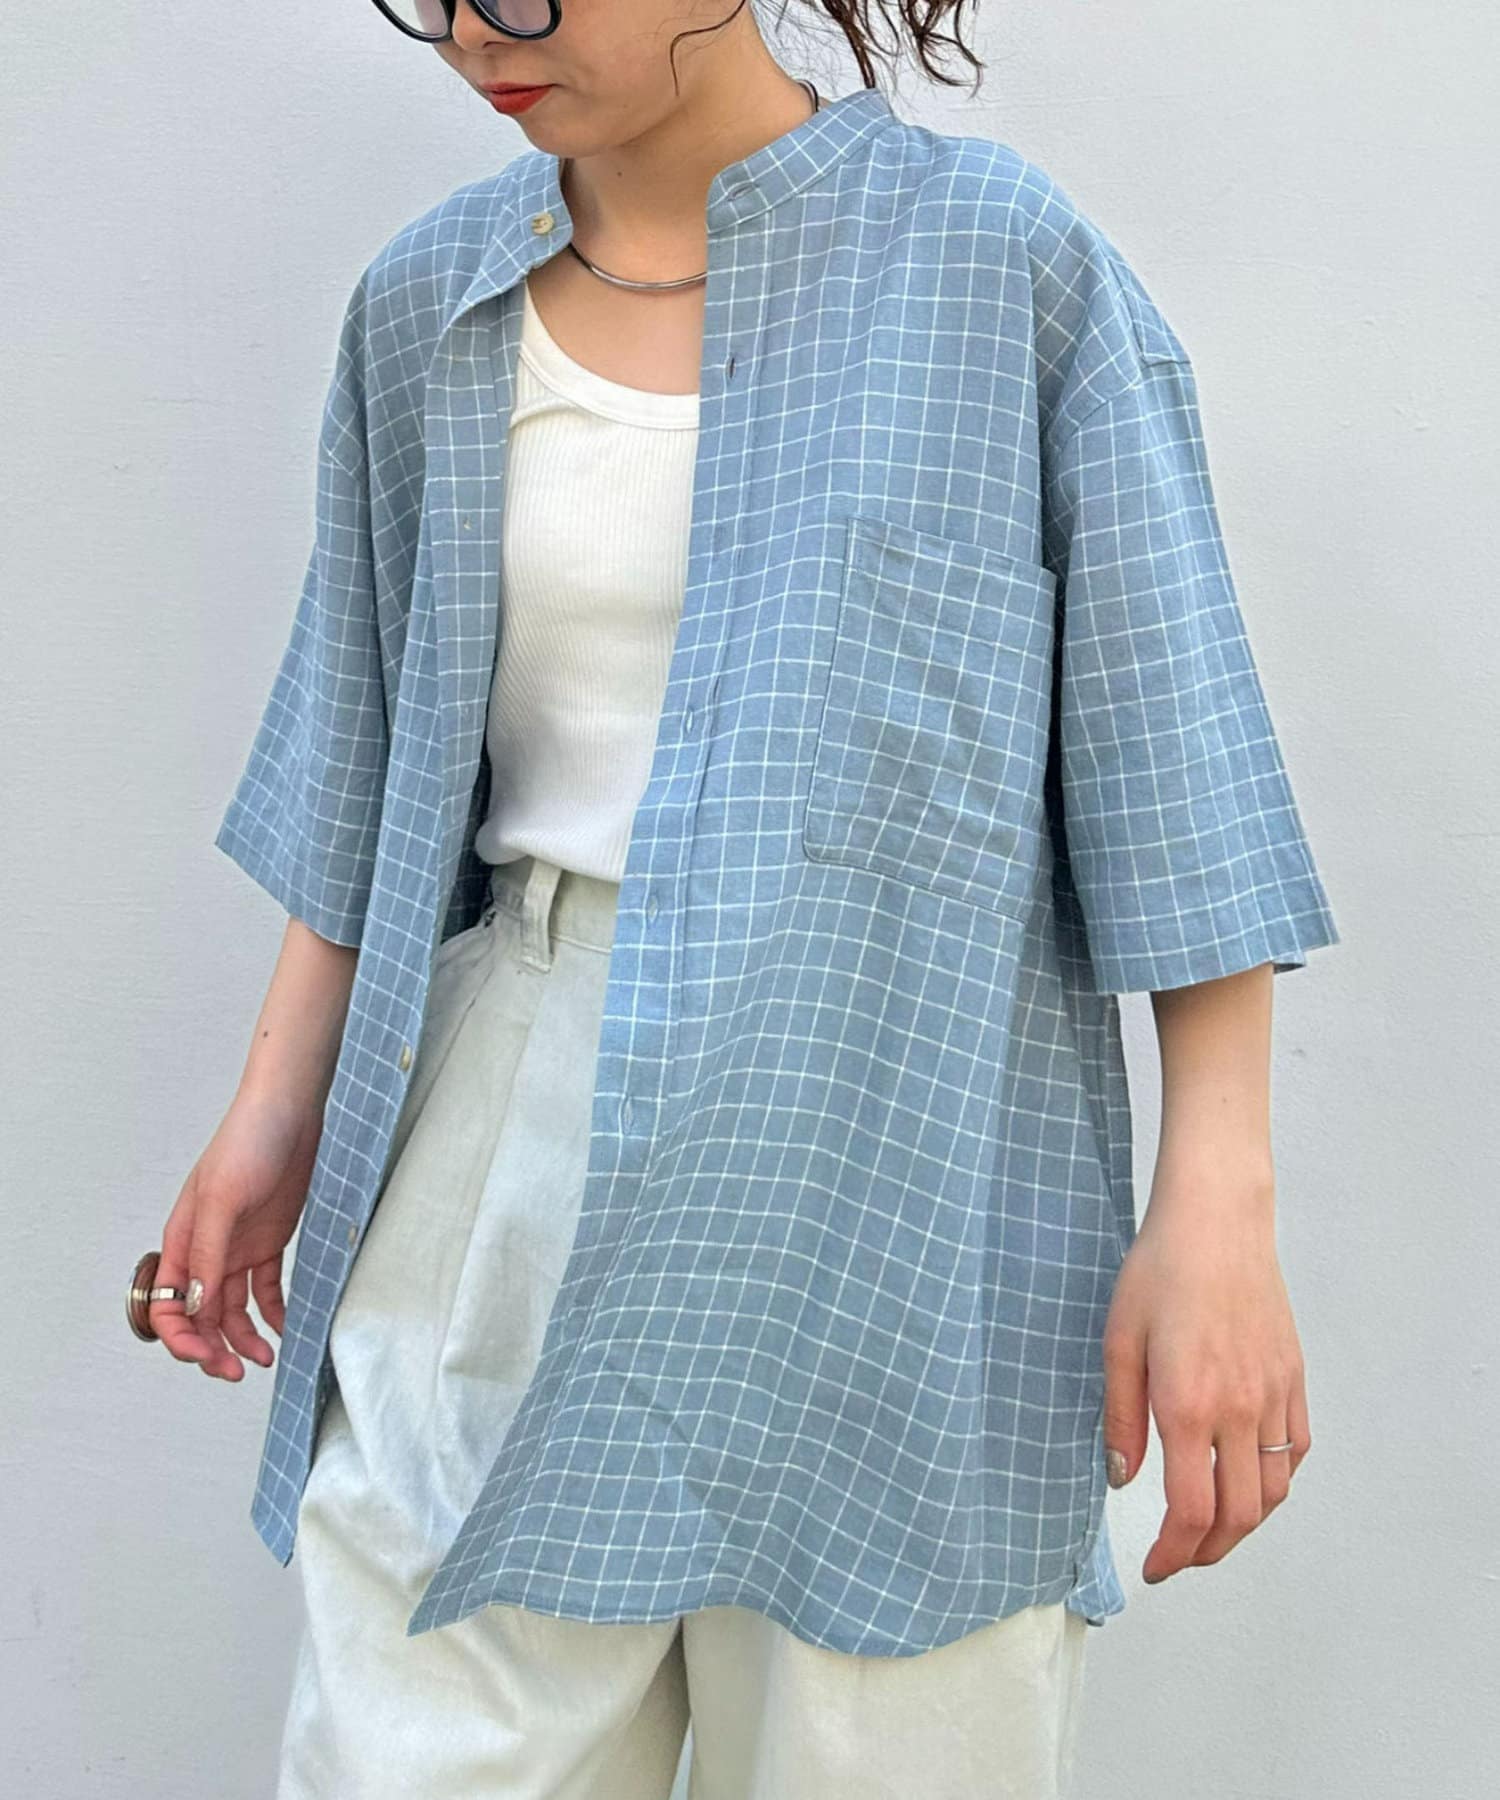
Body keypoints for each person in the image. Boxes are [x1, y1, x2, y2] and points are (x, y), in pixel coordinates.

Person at [136, 2, 1340, 1794]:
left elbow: (1172, 767)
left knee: (884, 1744)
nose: (470, 32)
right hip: (506, 1143)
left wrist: (1218, 1212)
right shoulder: (430, 305)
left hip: (903, 1163)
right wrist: (271, 1110)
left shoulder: (998, 271)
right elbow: (364, 748)